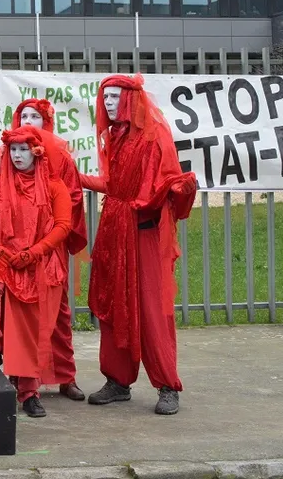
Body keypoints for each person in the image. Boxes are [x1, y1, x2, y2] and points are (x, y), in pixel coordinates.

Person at [79, 75, 197, 416]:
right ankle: (118, 381)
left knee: (151, 310)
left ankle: (167, 385)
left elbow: (166, 182)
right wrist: (75, 175)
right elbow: (114, 185)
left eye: (115, 97)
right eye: (105, 98)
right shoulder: (115, 137)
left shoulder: (155, 136)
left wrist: (177, 189)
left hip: (144, 236)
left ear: (132, 98)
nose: (108, 103)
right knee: (114, 305)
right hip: (115, 231)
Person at [0, 129, 72, 418]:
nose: (17, 156)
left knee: (29, 320)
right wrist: (1, 252)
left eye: (23, 150)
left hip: (38, 262)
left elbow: (62, 226)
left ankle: (29, 391)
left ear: (36, 152)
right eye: (12, 150)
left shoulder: (54, 187)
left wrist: (33, 253)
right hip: (3, 258)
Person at [9, 98, 89, 401]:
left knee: (58, 312)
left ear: (46, 121)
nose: (28, 120)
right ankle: (22, 377)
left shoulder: (61, 156)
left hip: (49, 245)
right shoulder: (12, 153)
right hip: (18, 245)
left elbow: (72, 197)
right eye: (23, 116)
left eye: (35, 116)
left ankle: (66, 377)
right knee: (20, 314)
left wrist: (49, 225)